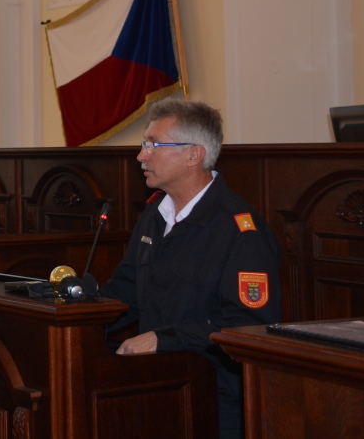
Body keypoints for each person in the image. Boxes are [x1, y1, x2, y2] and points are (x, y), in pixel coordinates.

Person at [100, 98, 281, 439]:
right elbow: (125, 293)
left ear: (193, 155)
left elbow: (249, 325)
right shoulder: (154, 216)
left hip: (216, 402)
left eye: (153, 144)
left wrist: (163, 339)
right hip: (160, 389)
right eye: (144, 144)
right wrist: (72, 310)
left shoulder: (240, 230)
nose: (141, 155)